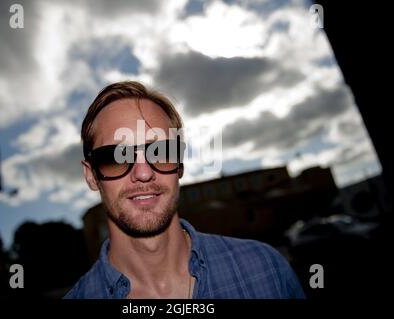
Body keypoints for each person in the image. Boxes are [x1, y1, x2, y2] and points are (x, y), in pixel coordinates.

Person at [64, 81, 305, 299]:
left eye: (161, 152)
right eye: (116, 157)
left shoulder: (267, 270)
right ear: (91, 176)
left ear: (179, 164)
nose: (143, 172)